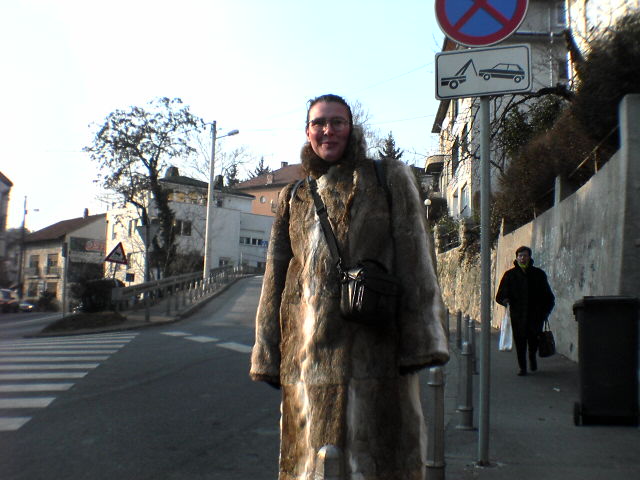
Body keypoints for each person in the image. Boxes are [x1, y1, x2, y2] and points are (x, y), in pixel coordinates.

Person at [250, 94, 449, 480]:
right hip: (308, 359)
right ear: (308, 132)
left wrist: (423, 340)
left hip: (376, 351)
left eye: (337, 122)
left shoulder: (387, 178)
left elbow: (416, 260)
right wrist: (268, 352)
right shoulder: (295, 195)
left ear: (351, 127)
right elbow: (276, 278)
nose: (328, 130)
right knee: (314, 465)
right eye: (319, 123)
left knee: (378, 463)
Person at [495, 246, 555, 376]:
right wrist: (505, 300)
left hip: (535, 316)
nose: (523, 258)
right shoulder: (510, 275)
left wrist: (545, 312)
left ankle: (532, 358)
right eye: (520, 256)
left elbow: (548, 296)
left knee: (533, 341)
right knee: (520, 342)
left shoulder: (538, 274)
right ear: (517, 258)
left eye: (525, 255)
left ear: (529, 257)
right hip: (518, 315)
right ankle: (522, 367)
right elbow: (499, 295)